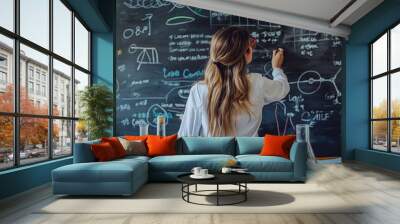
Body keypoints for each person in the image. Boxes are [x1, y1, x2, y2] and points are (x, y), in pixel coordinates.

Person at [178, 27, 289, 137]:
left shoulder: (199, 90)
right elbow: (283, 88)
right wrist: (277, 69)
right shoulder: (258, 83)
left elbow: (186, 136)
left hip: (212, 155)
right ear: (248, 52)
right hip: (248, 154)